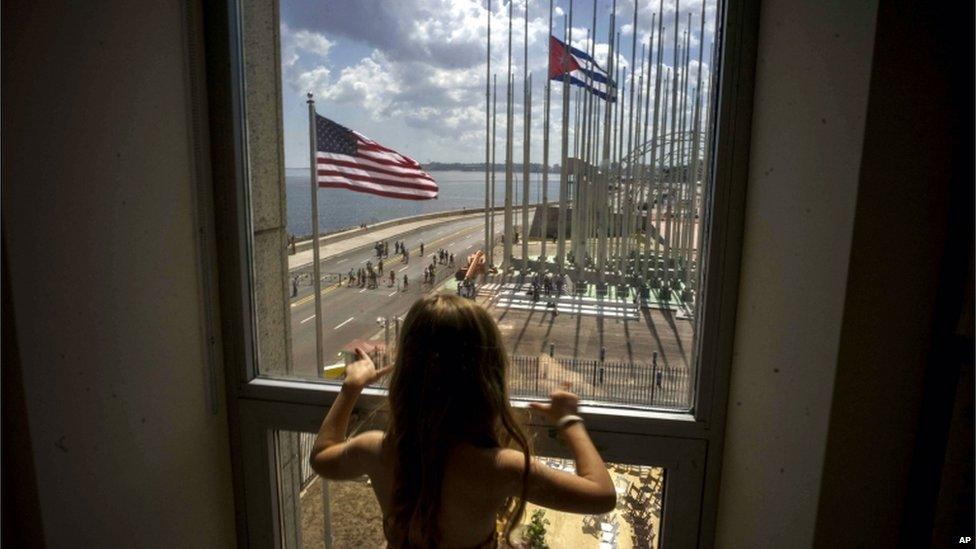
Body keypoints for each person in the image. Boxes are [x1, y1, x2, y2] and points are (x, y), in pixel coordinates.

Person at [309, 295, 615, 547]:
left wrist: (350, 389)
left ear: (405, 375)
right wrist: (569, 420)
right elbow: (601, 497)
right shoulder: (499, 467)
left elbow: (322, 456)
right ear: (488, 378)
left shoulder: (375, 450)